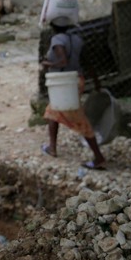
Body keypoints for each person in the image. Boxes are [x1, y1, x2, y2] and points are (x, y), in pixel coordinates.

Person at [40, 16, 107, 169]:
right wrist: (96, 81)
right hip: (77, 80)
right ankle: (52, 147)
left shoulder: (57, 40)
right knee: (53, 112)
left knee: (79, 119)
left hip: (65, 83)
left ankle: (99, 157)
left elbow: (62, 61)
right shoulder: (77, 40)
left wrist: (47, 63)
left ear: (53, 26)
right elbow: (87, 61)